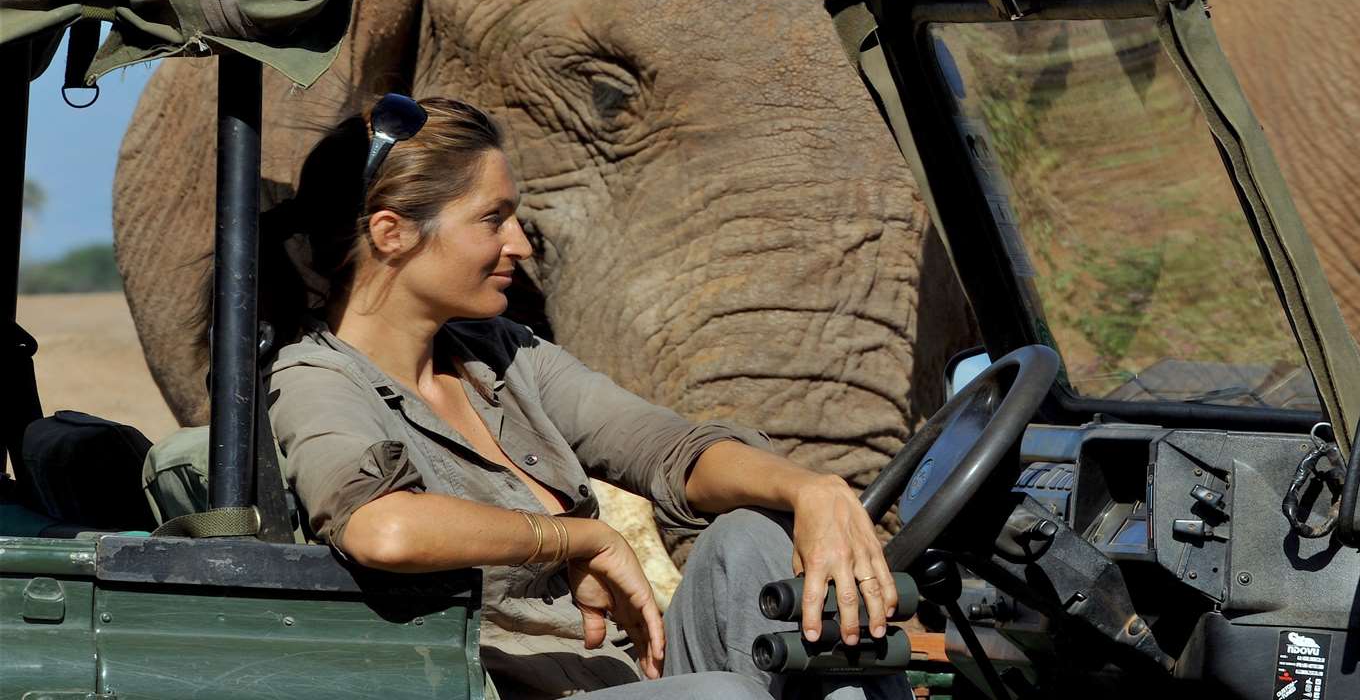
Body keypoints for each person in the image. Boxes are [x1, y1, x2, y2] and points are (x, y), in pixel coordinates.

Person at [254, 95, 911, 700]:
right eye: (492, 219)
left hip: (629, 679)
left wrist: (809, 491)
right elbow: (382, 528)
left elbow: (669, 450)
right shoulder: (314, 376)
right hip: (495, 687)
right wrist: (575, 539)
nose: (519, 242)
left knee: (754, 537)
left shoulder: (504, 355)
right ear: (393, 233)